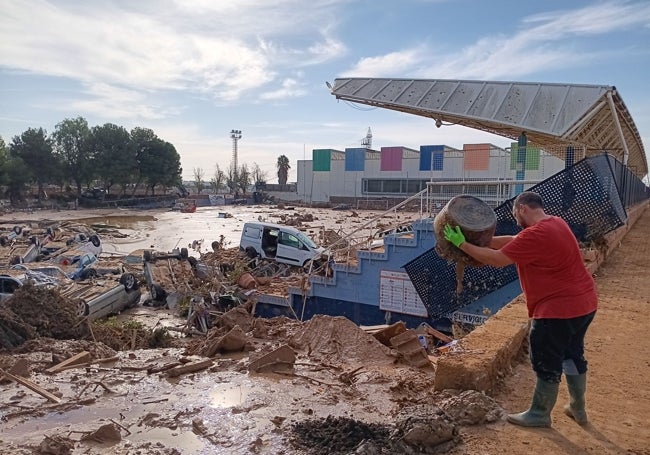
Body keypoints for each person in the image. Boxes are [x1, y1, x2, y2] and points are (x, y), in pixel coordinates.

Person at [443, 191, 597, 428]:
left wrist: (461, 244)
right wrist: (476, 241)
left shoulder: (537, 234)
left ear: (523, 208)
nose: (515, 219)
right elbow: (513, 241)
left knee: (546, 359)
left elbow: (498, 259)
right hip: (584, 304)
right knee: (572, 354)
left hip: (557, 310)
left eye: (515, 214)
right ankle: (578, 408)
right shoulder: (555, 223)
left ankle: (539, 413)